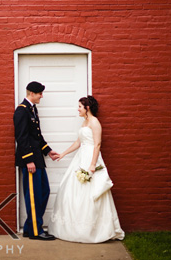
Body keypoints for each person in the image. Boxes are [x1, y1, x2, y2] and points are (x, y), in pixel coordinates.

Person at [49, 96, 125, 243]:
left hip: (91, 158)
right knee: (73, 191)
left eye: (79, 106)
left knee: (91, 191)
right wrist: (63, 153)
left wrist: (92, 164)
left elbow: (97, 144)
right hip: (80, 157)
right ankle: (72, 228)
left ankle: (94, 229)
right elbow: (79, 142)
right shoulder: (84, 122)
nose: (78, 109)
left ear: (87, 108)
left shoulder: (95, 122)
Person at [14, 81, 60, 240]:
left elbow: (36, 136)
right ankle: (35, 231)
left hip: (38, 158)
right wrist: (28, 160)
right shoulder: (21, 111)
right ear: (32, 93)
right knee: (33, 195)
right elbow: (21, 138)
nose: (42, 96)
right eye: (40, 93)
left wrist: (48, 150)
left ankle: (29, 227)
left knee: (44, 191)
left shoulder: (32, 109)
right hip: (31, 160)